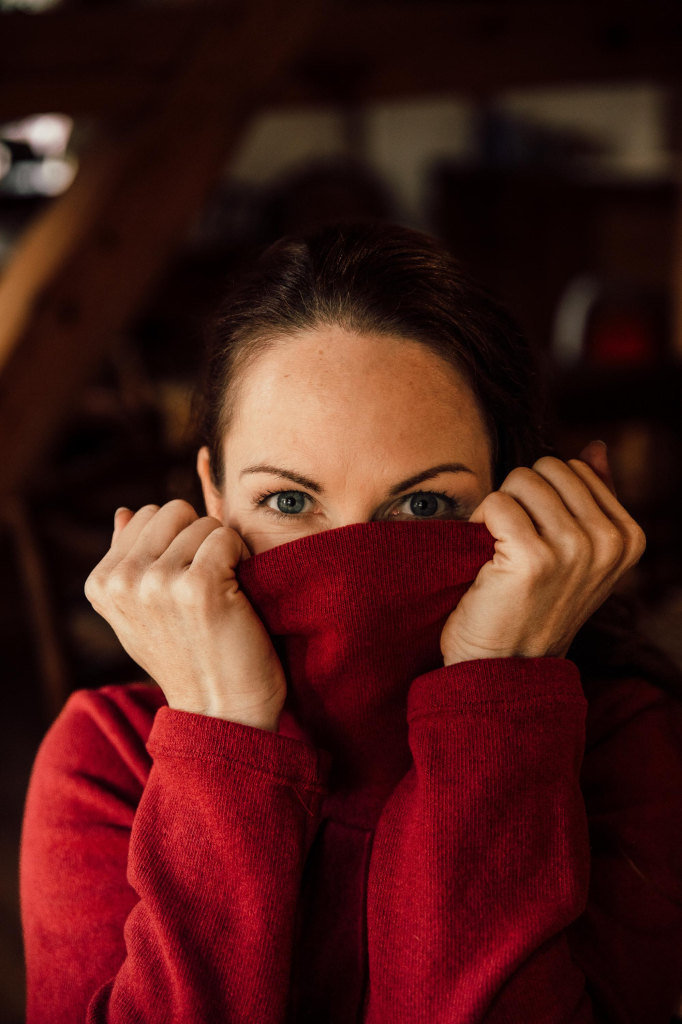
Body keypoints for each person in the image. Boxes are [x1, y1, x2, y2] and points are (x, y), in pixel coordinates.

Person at [20, 222, 682, 1023]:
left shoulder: (623, 747)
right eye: (290, 502)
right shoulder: (108, 758)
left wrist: (497, 690)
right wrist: (223, 737)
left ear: (524, 501)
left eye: (424, 505)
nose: (351, 560)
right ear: (214, 495)